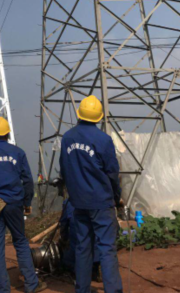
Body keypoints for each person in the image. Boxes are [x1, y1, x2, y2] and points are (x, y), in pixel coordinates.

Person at [0, 117, 46, 293]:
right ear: (7, 133)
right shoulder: (18, 153)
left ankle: (2, 289)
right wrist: (27, 202)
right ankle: (31, 284)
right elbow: (28, 181)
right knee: (20, 242)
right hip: (14, 204)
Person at [60, 95, 123, 293]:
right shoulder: (103, 140)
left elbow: (64, 170)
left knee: (83, 247)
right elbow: (112, 172)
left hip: (78, 203)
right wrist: (116, 196)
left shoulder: (67, 138)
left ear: (80, 115)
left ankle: (82, 289)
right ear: (98, 117)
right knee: (106, 248)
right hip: (101, 203)